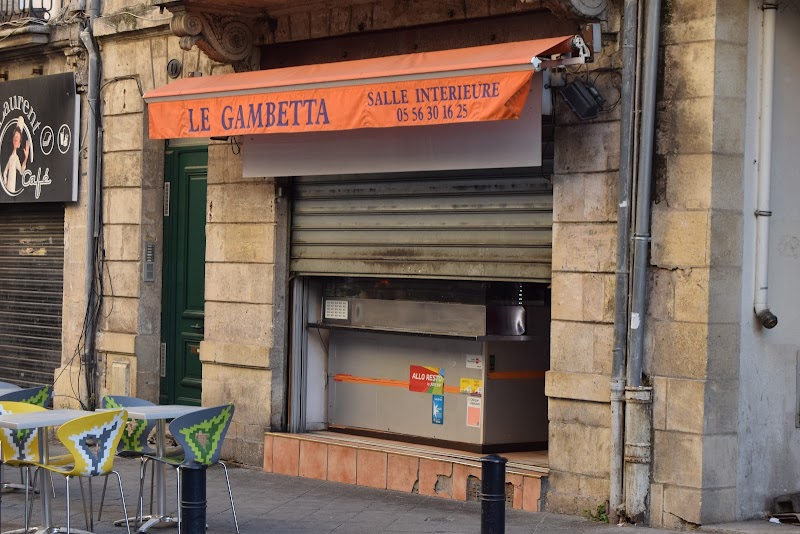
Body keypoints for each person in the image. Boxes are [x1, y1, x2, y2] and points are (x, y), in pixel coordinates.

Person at [3, 126, 29, 194]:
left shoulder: (16, 158)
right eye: (15, 137)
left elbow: (21, 171)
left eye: (18, 138)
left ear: (19, 145)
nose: (16, 138)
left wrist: (26, 158)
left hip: (12, 187)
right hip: (7, 188)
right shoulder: (10, 157)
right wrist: (5, 184)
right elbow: (5, 172)